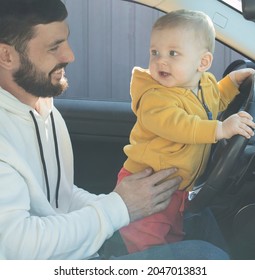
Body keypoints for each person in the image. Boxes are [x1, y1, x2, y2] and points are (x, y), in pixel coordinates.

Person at [0, 0, 230, 260]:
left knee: (202, 218)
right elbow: (15, 247)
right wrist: (118, 208)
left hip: (82, 250)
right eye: (54, 47)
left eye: (66, 41)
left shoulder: (42, 106)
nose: (70, 55)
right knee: (207, 257)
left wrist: (127, 206)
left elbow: (58, 197)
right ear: (7, 56)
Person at [115, 10, 255, 254]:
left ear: (202, 63)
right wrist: (221, 129)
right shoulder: (154, 98)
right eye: (155, 52)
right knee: (149, 245)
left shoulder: (203, 84)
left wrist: (233, 83)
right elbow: (181, 126)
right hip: (147, 188)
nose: (161, 60)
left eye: (173, 53)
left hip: (176, 190)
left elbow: (215, 103)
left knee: (173, 236)